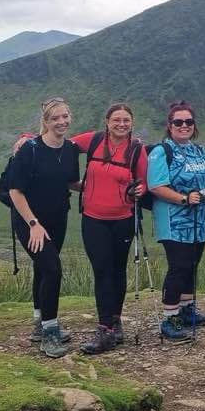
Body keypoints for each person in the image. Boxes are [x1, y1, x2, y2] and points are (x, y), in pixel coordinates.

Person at [71, 103, 149, 354]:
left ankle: (115, 323)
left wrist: (140, 189)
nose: (122, 124)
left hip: (123, 219)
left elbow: (144, 183)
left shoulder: (137, 149)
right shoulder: (93, 141)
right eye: (117, 120)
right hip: (93, 219)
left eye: (126, 120)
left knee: (117, 270)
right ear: (107, 121)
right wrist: (26, 139)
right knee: (103, 271)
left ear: (132, 122)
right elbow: (60, 144)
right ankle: (105, 328)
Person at [7, 97, 82, 358]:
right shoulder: (30, 150)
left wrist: (105, 185)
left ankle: (39, 323)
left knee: (43, 267)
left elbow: (72, 182)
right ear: (46, 122)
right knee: (52, 269)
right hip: (30, 221)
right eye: (55, 119)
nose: (61, 122)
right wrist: (33, 224)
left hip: (58, 219)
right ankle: (50, 332)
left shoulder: (71, 149)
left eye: (65, 117)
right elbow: (15, 191)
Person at [147, 100, 205, 343]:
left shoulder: (199, 150)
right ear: (170, 125)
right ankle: (170, 317)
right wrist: (185, 199)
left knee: (192, 264)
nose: (184, 125)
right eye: (179, 122)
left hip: (200, 220)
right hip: (174, 221)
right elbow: (156, 186)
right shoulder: (161, 151)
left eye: (189, 121)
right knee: (179, 267)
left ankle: (187, 309)